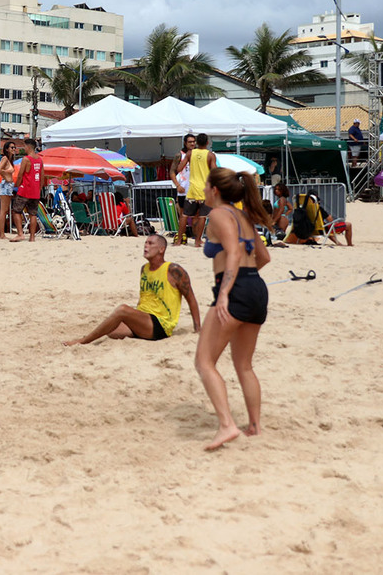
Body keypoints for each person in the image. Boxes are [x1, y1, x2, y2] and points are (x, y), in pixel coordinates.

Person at [194, 167, 272, 451]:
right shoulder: (243, 216)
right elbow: (263, 257)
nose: (202, 190)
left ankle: (227, 425)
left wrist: (225, 292)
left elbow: (235, 252)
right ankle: (254, 426)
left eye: (205, 185)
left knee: (204, 362)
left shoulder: (218, 214)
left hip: (235, 290)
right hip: (256, 289)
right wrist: (246, 280)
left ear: (215, 190)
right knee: (244, 365)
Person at [64, 234, 200, 345]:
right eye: (145, 243)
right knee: (111, 331)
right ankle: (131, 331)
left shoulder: (173, 270)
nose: (146, 246)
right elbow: (145, 297)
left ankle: (83, 341)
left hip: (161, 324)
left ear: (161, 249)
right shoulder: (144, 269)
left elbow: (191, 299)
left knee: (122, 310)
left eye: (151, 243)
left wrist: (197, 330)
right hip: (145, 318)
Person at [177, 133, 216, 248]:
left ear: (197, 142)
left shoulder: (190, 153)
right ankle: (197, 241)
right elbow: (215, 172)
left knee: (184, 215)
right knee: (202, 217)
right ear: (207, 143)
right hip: (205, 190)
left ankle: (179, 240)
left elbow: (179, 168)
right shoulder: (210, 155)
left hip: (192, 189)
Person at [10, 138, 45, 242]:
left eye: (24, 146)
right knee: (33, 214)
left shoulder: (26, 159)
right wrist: (39, 188)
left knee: (16, 211)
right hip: (35, 191)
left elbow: (20, 175)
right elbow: (42, 177)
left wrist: (16, 185)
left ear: (29, 147)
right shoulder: (40, 159)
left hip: (25, 189)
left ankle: (20, 234)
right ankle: (32, 237)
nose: (24, 148)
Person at [169, 134, 195, 245]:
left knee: (196, 215)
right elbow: (172, 172)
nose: (192, 144)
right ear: (185, 143)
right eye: (190, 142)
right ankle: (181, 237)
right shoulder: (179, 155)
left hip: (195, 188)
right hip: (183, 189)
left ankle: (196, 238)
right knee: (183, 215)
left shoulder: (198, 154)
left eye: (194, 141)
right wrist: (177, 185)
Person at [0, 141, 17, 239]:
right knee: (3, 211)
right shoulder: (5, 158)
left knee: (5, 210)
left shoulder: (9, 160)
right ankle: (1, 234)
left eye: (14, 147)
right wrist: (6, 177)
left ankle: (2, 233)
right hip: (5, 185)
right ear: (7, 149)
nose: (14, 149)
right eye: (12, 147)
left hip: (8, 185)